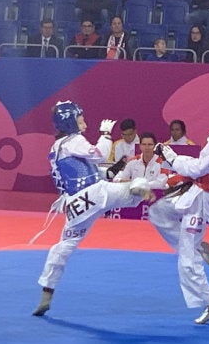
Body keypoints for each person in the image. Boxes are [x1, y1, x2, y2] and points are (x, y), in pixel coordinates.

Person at [32, 101, 155, 316]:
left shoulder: (57, 148)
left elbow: (86, 170)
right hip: (97, 194)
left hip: (76, 206)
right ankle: (142, 191)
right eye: (80, 120)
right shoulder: (74, 140)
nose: (84, 124)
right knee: (139, 186)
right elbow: (98, 153)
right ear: (70, 123)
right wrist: (106, 134)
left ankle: (47, 293)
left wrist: (109, 171)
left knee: (64, 246)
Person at [149, 86, 209, 324]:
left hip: (204, 199)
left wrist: (171, 157)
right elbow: (201, 169)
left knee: (186, 259)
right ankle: (199, 245)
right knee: (159, 211)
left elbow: (198, 168)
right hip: (197, 191)